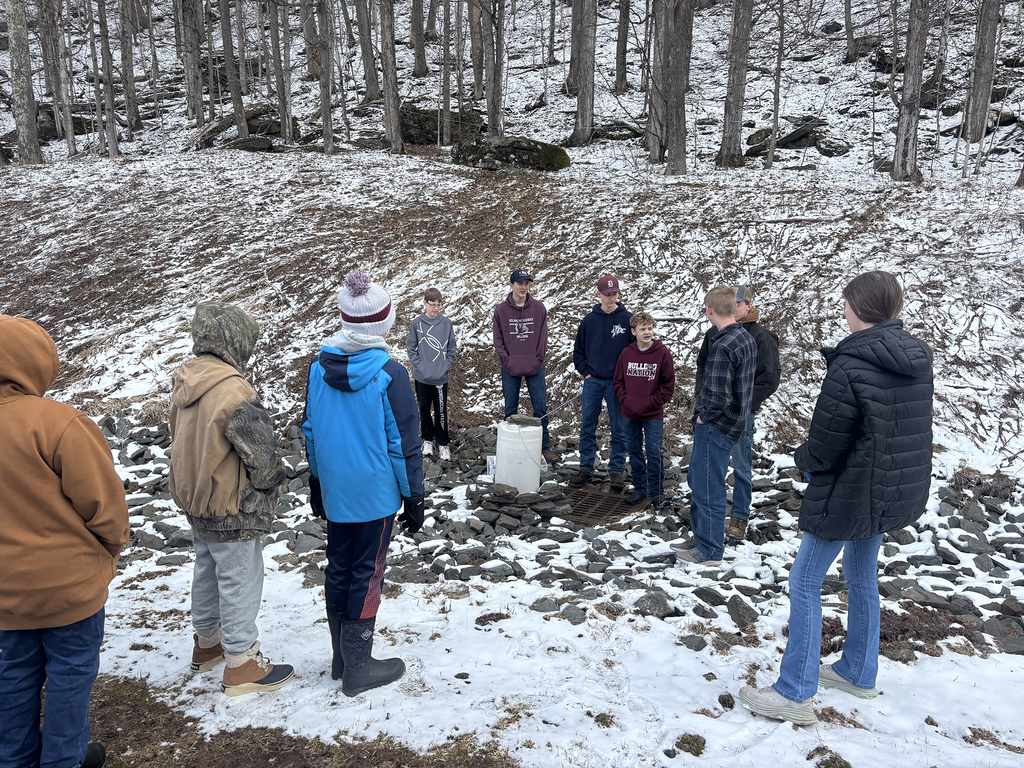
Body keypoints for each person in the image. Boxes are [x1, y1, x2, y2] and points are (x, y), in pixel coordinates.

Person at [739, 271, 933, 725]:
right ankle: (857, 671)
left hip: (849, 491)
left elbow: (826, 444)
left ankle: (794, 691)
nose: (842, 309)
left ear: (859, 307)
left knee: (804, 580)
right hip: (889, 486)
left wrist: (802, 458)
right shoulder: (917, 357)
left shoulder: (850, 363)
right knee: (861, 576)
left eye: (846, 302)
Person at [0, 316, 130, 768]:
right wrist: (110, 548)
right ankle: (63, 760)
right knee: (70, 677)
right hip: (70, 587)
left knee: (13, 678)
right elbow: (103, 503)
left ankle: (14, 760)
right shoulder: (59, 422)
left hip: (5, 596)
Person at [303, 271, 425, 697]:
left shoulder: (319, 368)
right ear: (384, 323)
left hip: (336, 489)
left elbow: (311, 431)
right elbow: (405, 444)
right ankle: (358, 666)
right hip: (375, 494)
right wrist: (414, 497)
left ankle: (342, 657)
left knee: (339, 566)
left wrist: (317, 484)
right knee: (367, 572)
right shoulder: (390, 374)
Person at [169, 302, 294, 697]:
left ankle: (208, 644)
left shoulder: (185, 379)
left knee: (207, 568)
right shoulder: (233, 389)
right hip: (231, 503)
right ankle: (242, 663)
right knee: (240, 577)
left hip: (197, 500)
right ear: (235, 342)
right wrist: (273, 480)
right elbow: (260, 454)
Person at [674, 286, 757, 566]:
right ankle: (700, 535)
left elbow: (720, 397)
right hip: (734, 423)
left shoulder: (722, 345)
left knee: (709, 486)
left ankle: (710, 549)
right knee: (699, 480)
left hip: (717, 426)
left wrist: (702, 416)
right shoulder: (744, 337)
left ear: (709, 310)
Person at [693, 285, 780, 541]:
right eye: (733, 302)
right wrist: (702, 400)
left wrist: (741, 405)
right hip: (712, 412)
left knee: (741, 467)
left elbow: (768, 380)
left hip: (741, 413)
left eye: (739, 303)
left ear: (748, 306)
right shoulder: (714, 333)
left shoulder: (762, 337)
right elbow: (703, 366)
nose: (735, 307)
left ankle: (740, 516)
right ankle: (708, 515)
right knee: (709, 468)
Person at [570, 275, 633, 491]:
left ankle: (616, 471)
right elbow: (578, 352)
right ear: (598, 294)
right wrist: (586, 373)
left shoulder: (627, 319)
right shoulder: (589, 320)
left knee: (619, 427)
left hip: (617, 383)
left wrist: (625, 377)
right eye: (607, 294)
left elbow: (635, 351)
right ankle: (586, 468)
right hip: (593, 381)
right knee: (587, 426)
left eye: (614, 293)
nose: (611, 297)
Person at [492, 268, 557, 464]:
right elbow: (498, 339)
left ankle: (544, 447)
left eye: (527, 283)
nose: (524, 287)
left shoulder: (538, 308)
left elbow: (543, 337)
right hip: (510, 368)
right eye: (520, 283)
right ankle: (511, 447)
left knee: (541, 408)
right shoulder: (500, 310)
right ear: (511, 285)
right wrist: (507, 361)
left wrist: (538, 359)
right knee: (510, 409)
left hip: (535, 367)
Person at [614, 311, 675, 507]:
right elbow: (618, 382)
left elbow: (668, 385)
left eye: (650, 328)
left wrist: (653, 402)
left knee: (654, 451)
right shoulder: (626, 353)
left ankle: (657, 493)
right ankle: (640, 489)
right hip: (630, 413)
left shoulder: (662, 353)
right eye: (643, 329)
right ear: (634, 332)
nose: (647, 332)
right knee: (634, 450)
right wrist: (626, 400)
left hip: (653, 413)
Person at [406, 287, 457, 462]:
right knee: (424, 408)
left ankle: (443, 443)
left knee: (441, 411)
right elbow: (410, 348)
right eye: (432, 304)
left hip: (440, 377)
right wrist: (420, 366)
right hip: (422, 377)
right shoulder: (417, 324)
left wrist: (446, 365)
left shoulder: (446, 324)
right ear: (424, 303)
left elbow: (452, 348)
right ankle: (427, 440)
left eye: (439, 305)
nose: (436, 308)